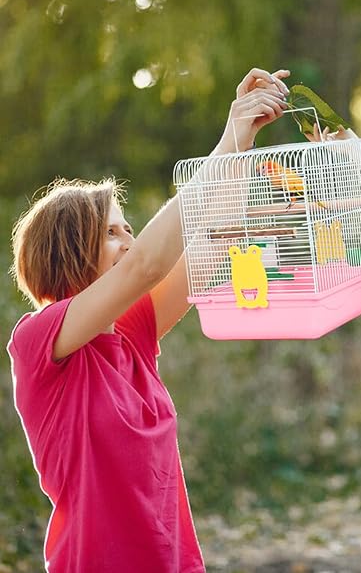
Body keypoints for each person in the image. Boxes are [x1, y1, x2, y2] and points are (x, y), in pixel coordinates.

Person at [7, 67, 290, 573]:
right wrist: (224, 138)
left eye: (128, 228)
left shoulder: (131, 334)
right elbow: (148, 265)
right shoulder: (39, 339)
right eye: (113, 232)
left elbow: (213, 239)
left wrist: (243, 138)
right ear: (69, 248)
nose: (130, 241)